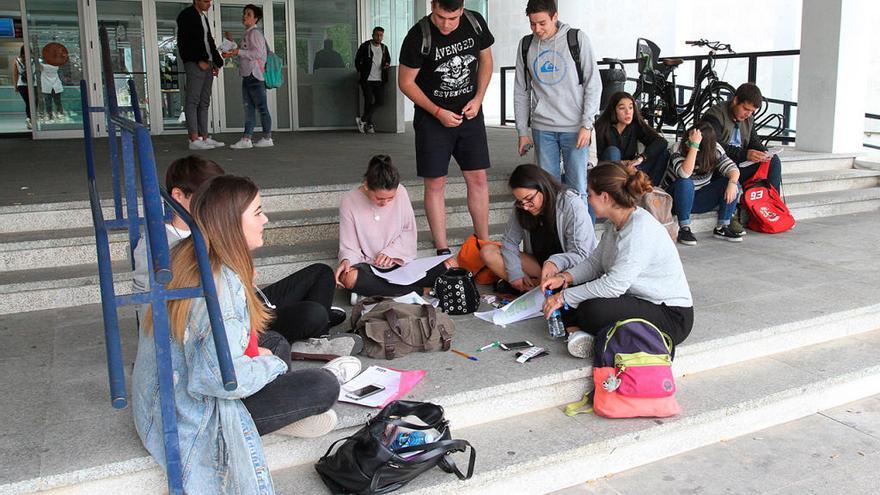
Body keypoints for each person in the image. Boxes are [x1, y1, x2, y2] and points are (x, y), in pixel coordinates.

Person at [133, 175, 362, 494]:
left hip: (162, 399)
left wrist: (263, 353)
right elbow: (217, 380)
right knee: (323, 384)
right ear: (231, 223)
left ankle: (283, 413)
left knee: (277, 342)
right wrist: (270, 365)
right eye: (257, 212)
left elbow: (225, 342)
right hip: (196, 413)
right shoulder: (219, 284)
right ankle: (284, 415)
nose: (265, 219)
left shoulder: (188, 252)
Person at [132, 155, 351, 353]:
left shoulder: (210, 230)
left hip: (245, 303)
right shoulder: (161, 246)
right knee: (313, 314)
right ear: (178, 196)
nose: (218, 205)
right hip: (226, 323)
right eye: (208, 197)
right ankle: (313, 334)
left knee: (321, 273)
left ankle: (313, 332)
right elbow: (163, 314)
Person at [541, 162, 693, 359]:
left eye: (590, 194)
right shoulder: (616, 224)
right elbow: (595, 263)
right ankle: (577, 331)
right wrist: (564, 278)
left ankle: (586, 332)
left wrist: (563, 297)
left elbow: (613, 286)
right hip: (637, 298)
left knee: (590, 310)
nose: (588, 200)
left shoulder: (639, 229)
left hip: (671, 315)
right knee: (573, 293)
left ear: (605, 197)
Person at [398, 0, 495, 256]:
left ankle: (483, 244)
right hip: (433, 119)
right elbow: (406, 82)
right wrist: (438, 112)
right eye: (440, 17)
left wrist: (479, 98)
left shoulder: (475, 23)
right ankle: (442, 249)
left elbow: (486, 61)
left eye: (452, 18)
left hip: (470, 113)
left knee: (478, 178)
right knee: (435, 183)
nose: (446, 24)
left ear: (462, 10)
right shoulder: (419, 35)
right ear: (433, 6)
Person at [514, 0, 602, 210]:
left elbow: (593, 83)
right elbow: (521, 90)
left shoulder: (576, 39)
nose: (537, 29)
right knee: (547, 190)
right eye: (532, 24)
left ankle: (582, 241)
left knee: (577, 189)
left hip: (575, 128)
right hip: (543, 128)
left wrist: (586, 124)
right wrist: (522, 131)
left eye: (542, 23)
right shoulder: (526, 45)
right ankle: (555, 238)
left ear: (555, 16)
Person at [335, 155, 455, 302]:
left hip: (399, 263)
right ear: (366, 185)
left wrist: (391, 253)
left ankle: (379, 292)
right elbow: (349, 245)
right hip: (370, 266)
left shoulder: (401, 192)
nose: (385, 202)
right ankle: (418, 291)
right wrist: (346, 260)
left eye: (390, 198)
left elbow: (408, 231)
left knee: (449, 266)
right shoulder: (349, 201)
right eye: (379, 198)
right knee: (349, 278)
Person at [479, 164, 597, 294]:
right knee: (488, 251)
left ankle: (545, 288)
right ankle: (534, 289)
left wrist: (554, 262)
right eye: (520, 201)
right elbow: (509, 242)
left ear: (543, 187)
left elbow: (582, 255)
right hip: (539, 267)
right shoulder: (521, 207)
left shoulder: (570, 204)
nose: (525, 207)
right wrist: (515, 274)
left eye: (529, 199)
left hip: (570, 268)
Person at [665, 121, 743, 245]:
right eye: (690, 136)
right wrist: (694, 147)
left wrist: (732, 183)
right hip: (676, 199)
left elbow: (732, 169)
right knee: (685, 182)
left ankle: (722, 227)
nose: (689, 140)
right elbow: (685, 173)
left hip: (699, 198)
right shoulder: (677, 147)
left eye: (695, 138)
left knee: (732, 182)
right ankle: (684, 228)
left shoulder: (714, 148)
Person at [703, 83, 782, 192]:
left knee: (773, 161)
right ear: (735, 100)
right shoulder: (715, 115)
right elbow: (715, 146)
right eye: (745, 109)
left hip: (738, 163)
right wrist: (745, 154)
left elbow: (754, 141)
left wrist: (764, 153)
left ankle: (773, 201)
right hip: (719, 167)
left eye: (752, 111)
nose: (748, 114)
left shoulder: (748, 119)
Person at [224, 4, 274, 150]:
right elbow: (244, 52)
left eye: (248, 14)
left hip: (255, 75)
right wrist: (233, 46)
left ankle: (266, 137)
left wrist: (238, 52)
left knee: (261, 108)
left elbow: (257, 54)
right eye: (244, 13)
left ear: (255, 19)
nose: (244, 16)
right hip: (248, 75)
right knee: (250, 108)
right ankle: (248, 138)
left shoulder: (255, 34)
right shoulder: (248, 33)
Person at [177, 0, 225, 151]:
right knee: (193, 100)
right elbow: (184, 42)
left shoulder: (203, 17)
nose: (209, 4)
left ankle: (204, 137)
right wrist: (198, 60)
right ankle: (193, 139)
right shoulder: (186, 15)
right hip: (196, 63)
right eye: (206, 1)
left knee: (204, 101)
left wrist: (216, 63)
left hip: (208, 63)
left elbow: (208, 41)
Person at [594, 91, 669, 186]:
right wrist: (621, 164)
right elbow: (593, 160)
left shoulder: (635, 125)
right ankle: (617, 191)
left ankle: (648, 188)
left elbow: (662, 142)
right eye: (622, 108)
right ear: (613, 110)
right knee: (613, 151)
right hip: (610, 173)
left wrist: (640, 158)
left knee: (663, 152)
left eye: (630, 107)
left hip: (631, 169)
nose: (628, 112)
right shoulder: (602, 127)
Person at [354, 26, 391, 134]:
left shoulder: (384, 48)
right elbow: (357, 60)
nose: (379, 37)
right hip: (367, 80)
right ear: (373, 35)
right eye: (377, 35)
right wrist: (361, 70)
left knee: (380, 101)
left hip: (379, 79)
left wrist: (386, 65)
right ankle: (369, 125)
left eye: (381, 35)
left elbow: (387, 59)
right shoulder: (365, 46)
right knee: (368, 101)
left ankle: (362, 120)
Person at [14, 46, 31, 130]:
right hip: (32, 84)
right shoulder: (33, 59)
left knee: (28, 102)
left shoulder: (17, 60)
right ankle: (30, 119)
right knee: (33, 103)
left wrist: (15, 86)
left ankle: (29, 118)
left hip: (21, 84)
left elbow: (15, 74)